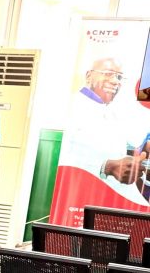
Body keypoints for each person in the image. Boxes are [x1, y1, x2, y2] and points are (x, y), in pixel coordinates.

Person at [60, 57, 150, 206]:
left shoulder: (108, 110)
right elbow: (64, 157)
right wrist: (106, 166)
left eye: (119, 77)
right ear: (89, 76)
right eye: (108, 73)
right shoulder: (71, 108)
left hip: (113, 195)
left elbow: (130, 141)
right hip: (81, 198)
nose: (115, 81)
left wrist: (144, 147)